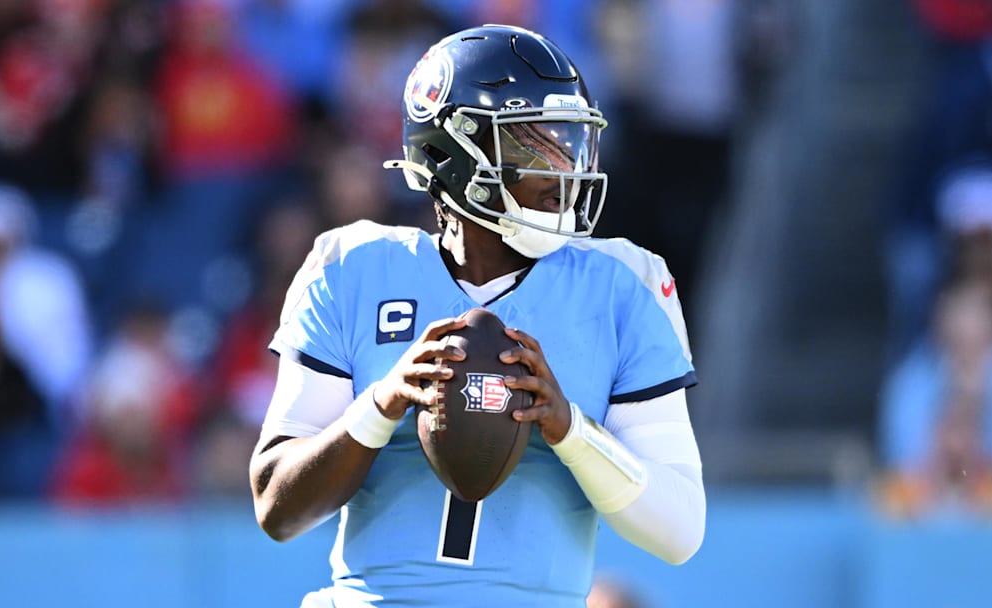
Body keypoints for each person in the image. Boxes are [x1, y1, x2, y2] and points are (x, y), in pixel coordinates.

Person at [250, 25, 706, 607]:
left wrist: (569, 429)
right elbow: (277, 508)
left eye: (570, 143)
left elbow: (679, 529)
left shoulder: (624, 284)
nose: (564, 169)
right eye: (534, 145)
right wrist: (383, 405)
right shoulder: (352, 267)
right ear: (453, 152)